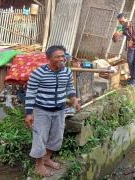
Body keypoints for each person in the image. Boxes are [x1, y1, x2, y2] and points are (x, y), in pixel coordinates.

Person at [24, 45, 81, 177]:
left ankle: (47, 158)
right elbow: (31, 93)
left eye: (63, 56)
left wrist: (74, 100)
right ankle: (39, 165)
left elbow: (70, 88)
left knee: (57, 136)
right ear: (48, 58)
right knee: (40, 137)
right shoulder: (38, 73)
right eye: (58, 57)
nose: (62, 59)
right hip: (42, 110)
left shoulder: (67, 72)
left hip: (60, 110)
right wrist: (28, 113)